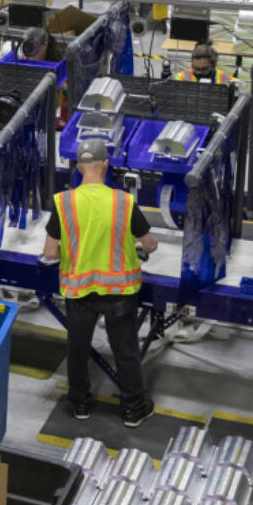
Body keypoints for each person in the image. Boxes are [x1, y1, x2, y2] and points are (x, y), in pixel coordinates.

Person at [42, 138, 158, 427]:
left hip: (79, 290)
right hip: (119, 290)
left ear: (80, 167)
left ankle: (80, 403)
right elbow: (150, 244)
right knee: (126, 350)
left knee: (77, 349)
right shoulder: (123, 201)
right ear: (106, 164)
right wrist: (140, 246)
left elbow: (49, 252)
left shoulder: (63, 201)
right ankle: (133, 408)